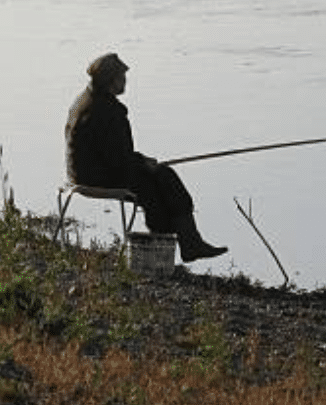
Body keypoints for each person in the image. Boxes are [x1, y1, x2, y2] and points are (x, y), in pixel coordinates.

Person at [65, 52, 228, 262]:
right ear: (110, 82)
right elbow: (118, 161)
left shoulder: (86, 99)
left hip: (82, 172)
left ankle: (185, 245)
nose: (125, 81)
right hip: (95, 177)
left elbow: (112, 153)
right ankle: (179, 247)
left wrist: (142, 162)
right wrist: (143, 163)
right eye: (121, 78)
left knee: (161, 179)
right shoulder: (107, 111)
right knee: (159, 184)